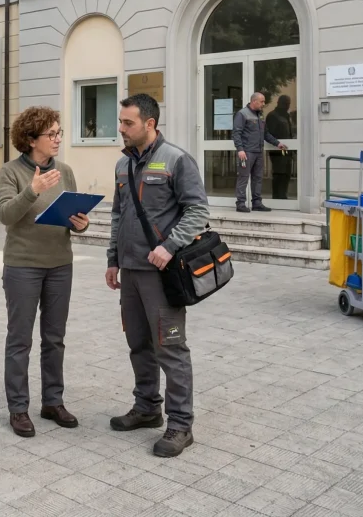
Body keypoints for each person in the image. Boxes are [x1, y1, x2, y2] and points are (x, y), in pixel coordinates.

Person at [105, 93, 209, 458]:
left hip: (162, 274)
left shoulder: (177, 160)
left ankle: (180, 425)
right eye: (120, 122)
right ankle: (147, 407)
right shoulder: (122, 166)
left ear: (149, 124)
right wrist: (113, 259)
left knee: (171, 347)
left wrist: (170, 245)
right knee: (138, 344)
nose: (121, 128)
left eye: (127, 123)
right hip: (130, 273)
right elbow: (118, 216)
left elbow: (197, 211)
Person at [0, 106, 90, 438]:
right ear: (31, 138)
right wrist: (32, 190)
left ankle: (53, 402)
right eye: (52, 134)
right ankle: (18, 409)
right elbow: (6, 214)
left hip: (60, 263)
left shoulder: (64, 170)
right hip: (23, 266)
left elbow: (74, 212)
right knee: (20, 340)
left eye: (59, 132)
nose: (58, 139)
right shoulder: (11, 171)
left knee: (54, 338)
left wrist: (82, 223)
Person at [232, 92, 287, 212]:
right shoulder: (242, 114)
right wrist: (240, 149)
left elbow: (265, 134)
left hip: (258, 152)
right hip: (246, 152)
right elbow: (236, 133)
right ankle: (240, 204)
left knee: (257, 178)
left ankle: (256, 203)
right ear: (254, 101)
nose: (263, 104)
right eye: (262, 101)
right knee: (243, 177)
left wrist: (277, 143)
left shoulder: (260, 116)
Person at [265, 95, 294, 201]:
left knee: (286, 174)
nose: (287, 105)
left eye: (288, 103)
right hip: (277, 151)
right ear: (279, 103)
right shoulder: (273, 116)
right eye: (285, 103)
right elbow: (269, 134)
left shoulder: (287, 116)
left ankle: (283, 195)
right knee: (279, 173)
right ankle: (278, 197)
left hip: (287, 151)